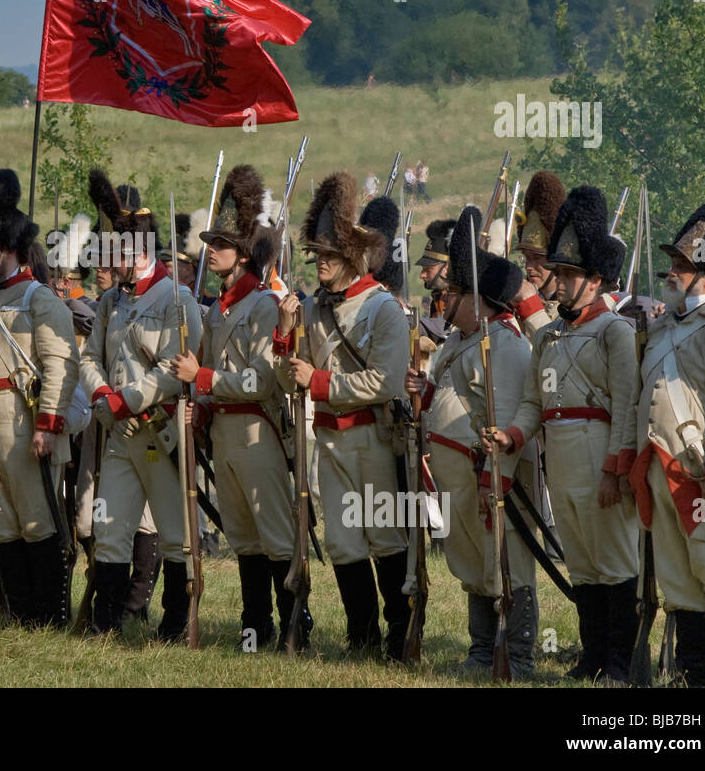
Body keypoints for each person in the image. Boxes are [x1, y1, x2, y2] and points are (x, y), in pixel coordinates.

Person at [489, 186, 638, 682]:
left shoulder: (614, 331)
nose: (563, 281)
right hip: (562, 457)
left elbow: (626, 407)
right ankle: (592, 657)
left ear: (595, 281)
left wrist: (617, 468)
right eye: (564, 272)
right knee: (583, 565)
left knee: (615, 563)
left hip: (599, 454)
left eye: (573, 274)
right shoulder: (549, 336)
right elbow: (535, 402)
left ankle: (620, 662)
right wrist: (512, 435)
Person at [170, 164, 308, 650]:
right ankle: (254, 630)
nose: (212, 250)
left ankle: (295, 626)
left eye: (222, 244)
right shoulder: (216, 308)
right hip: (226, 434)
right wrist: (201, 408)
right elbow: (209, 378)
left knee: (274, 535)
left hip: (256, 431)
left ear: (244, 253)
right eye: (211, 242)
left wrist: (202, 379)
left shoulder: (267, 305)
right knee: (243, 540)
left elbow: (260, 378)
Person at [274, 170, 410, 660]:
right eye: (318, 255)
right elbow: (288, 379)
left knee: (385, 541)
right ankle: (362, 638)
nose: (320, 264)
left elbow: (384, 383)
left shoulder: (384, 311)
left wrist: (320, 382)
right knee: (344, 545)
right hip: (328, 441)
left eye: (329, 255)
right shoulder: (311, 309)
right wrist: (285, 333)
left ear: (351, 257)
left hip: (372, 440)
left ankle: (399, 636)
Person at [406, 205, 540, 675]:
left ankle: (517, 656)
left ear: (479, 299)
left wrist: (492, 477)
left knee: (508, 568)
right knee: (474, 566)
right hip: (458, 479)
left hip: (488, 477)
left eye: (455, 294)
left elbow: (504, 419)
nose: (446, 301)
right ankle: (482, 651)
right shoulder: (461, 341)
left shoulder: (503, 343)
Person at [627, 195, 705, 687]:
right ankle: (696, 671)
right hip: (659, 468)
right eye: (675, 262)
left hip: (699, 473)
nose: (673, 272)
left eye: (683, 264)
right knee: (678, 577)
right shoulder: (661, 330)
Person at [79, 169, 203, 641]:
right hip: (119, 432)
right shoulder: (111, 301)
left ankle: (174, 626)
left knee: (174, 532)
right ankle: (105, 623)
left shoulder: (178, 298)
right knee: (109, 528)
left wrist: (126, 399)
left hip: (159, 432)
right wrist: (100, 394)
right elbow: (90, 356)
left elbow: (176, 367)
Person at [0, 168, 80, 627]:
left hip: (25, 425)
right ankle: (19, 613)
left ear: (7, 248)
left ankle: (49, 617)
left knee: (38, 521)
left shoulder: (39, 300)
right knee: (3, 522)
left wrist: (48, 425)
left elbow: (60, 366)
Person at [511, 170, 564, 341]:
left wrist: (529, 304)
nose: (528, 266)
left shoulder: (572, 307)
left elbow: (554, 350)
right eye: (527, 257)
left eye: (536, 257)